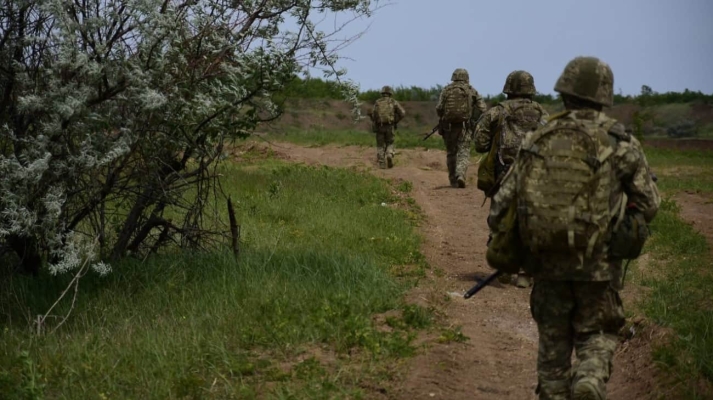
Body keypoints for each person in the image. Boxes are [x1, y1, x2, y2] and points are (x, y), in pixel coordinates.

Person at [488, 56, 660, 400]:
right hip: (598, 266)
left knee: (553, 347)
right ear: (604, 95)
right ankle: (589, 382)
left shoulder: (539, 137)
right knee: (597, 334)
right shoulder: (619, 141)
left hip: (545, 266)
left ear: (563, 91)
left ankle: (554, 393)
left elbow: (500, 206)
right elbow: (650, 203)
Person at [474, 70, 549, 288]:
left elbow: (480, 142)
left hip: (504, 173)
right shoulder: (543, 114)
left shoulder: (497, 111)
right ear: (531, 90)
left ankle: (504, 269)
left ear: (508, 89)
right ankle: (526, 273)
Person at [435, 68, 487, 187]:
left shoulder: (446, 90)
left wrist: (444, 117)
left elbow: (439, 108)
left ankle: (453, 180)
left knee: (451, 153)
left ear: (453, 77)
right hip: (465, 127)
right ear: (466, 77)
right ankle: (461, 175)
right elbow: (483, 108)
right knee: (463, 151)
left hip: (448, 127)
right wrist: (474, 119)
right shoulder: (471, 90)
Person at [369, 86, 406, 169]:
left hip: (380, 127)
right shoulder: (393, 102)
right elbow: (402, 113)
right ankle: (389, 154)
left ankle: (382, 163)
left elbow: (373, 115)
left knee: (380, 145)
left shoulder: (377, 102)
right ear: (390, 93)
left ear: (382, 93)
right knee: (390, 143)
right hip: (390, 126)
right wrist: (396, 120)